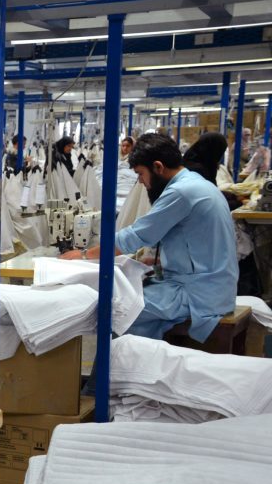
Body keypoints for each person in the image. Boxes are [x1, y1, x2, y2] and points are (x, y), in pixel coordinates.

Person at [60, 134, 237, 343]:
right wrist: (163, 261)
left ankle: (126, 362)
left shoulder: (182, 192)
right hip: (213, 287)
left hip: (198, 293)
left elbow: (135, 236)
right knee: (131, 298)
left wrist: (84, 254)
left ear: (158, 167)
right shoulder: (197, 184)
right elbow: (194, 242)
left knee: (118, 309)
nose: (141, 182)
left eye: (141, 174)